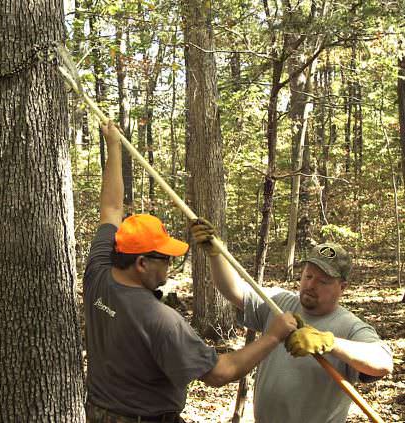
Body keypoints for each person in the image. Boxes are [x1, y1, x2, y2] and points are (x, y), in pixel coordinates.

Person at [83, 121, 298, 423]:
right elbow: (220, 373)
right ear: (142, 263)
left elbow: (110, 209)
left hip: (97, 414)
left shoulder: (99, 274)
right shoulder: (160, 321)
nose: (170, 264)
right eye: (165, 258)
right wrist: (273, 335)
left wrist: (114, 145)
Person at [191, 222, 393, 423]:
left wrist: (328, 342)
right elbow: (234, 290)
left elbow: (383, 362)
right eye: (308, 276)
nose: (311, 285)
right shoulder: (280, 303)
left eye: (323, 281)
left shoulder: (349, 326)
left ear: (342, 287)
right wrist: (216, 255)